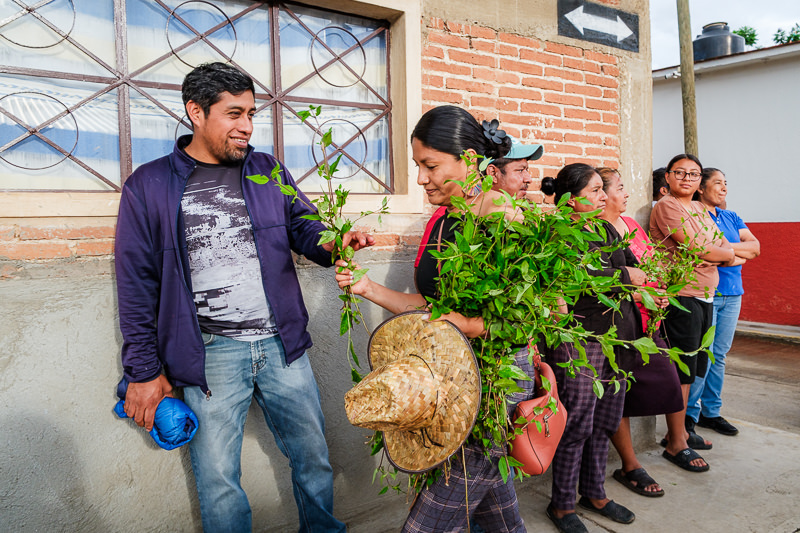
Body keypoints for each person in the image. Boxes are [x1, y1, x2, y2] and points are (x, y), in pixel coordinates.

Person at [115, 62, 373, 532]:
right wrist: (143, 370)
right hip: (209, 354)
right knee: (218, 479)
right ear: (196, 111)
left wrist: (333, 241)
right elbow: (135, 285)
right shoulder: (148, 186)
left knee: (313, 459)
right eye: (234, 114)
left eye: (251, 113)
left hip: (283, 347)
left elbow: (303, 226)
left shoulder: (266, 169)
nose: (247, 127)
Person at [336, 105, 531, 532]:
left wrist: (465, 325)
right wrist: (367, 288)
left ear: (471, 161)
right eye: (418, 166)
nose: (422, 178)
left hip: (494, 383)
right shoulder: (445, 219)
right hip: (449, 375)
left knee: (428, 524)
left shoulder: (505, 219)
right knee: (496, 513)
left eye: (430, 165)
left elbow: (534, 317)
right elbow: (429, 306)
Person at [540, 164, 642, 533]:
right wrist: (624, 278)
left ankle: (594, 492)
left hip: (617, 340)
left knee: (606, 420)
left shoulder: (605, 227)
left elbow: (631, 265)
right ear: (570, 198)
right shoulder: (557, 235)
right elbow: (568, 280)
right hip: (579, 342)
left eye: (603, 189)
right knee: (579, 421)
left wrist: (644, 283)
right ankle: (563, 505)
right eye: (596, 191)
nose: (604, 197)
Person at [596, 167, 684, 498]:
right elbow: (601, 284)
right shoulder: (597, 232)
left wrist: (658, 292)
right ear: (601, 194)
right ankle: (630, 464)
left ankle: (678, 441)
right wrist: (636, 292)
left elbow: (648, 268)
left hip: (649, 321)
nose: (626, 192)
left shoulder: (631, 226)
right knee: (618, 397)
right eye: (619, 187)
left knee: (668, 383)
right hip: (617, 327)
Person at [650, 154, 735, 473]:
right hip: (681, 296)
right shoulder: (667, 206)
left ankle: (681, 432)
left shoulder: (700, 208)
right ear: (668, 178)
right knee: (682, 371)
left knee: (696, 367)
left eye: (694, 174)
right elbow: (696, 248)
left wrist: (719, 254)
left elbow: (718, 244)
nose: (687, 178)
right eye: (680, 173)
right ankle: (675, 443)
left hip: (706, 295)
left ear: (700, 181)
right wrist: (722, 255)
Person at [687, 168, 760, 436]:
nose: (724, 188)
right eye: (717, 183)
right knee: (701, 355)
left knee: (719, 356)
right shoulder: (694, 214)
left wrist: (724, 250)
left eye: (725, 183)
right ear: (701, 188)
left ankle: (711, 412)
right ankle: (688, 417)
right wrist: (733, 250)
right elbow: (703, 248)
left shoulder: (731, 216)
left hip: (733, 293)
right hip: (707, 292)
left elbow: (755, 248)